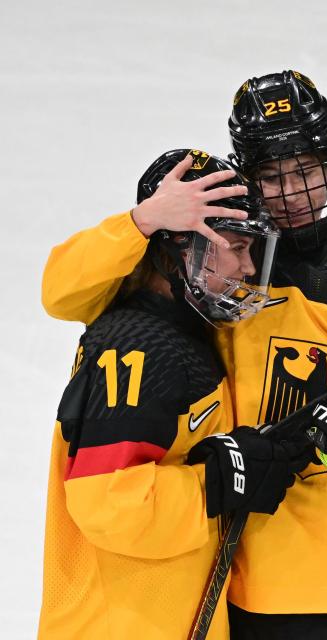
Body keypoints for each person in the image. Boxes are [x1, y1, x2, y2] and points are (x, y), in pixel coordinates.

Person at [40, 72, 327, 639]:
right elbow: (65, 292)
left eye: (307, 169)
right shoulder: (222, 293)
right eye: (272, 175)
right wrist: (145, 221)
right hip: (277, 593)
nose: (293, 192)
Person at [38, 149, 312, 639]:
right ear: (179, 250)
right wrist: (220, 479)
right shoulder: (141, 345)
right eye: (236, 247)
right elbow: (109, 502)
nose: (250, 269)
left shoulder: (192, 335)